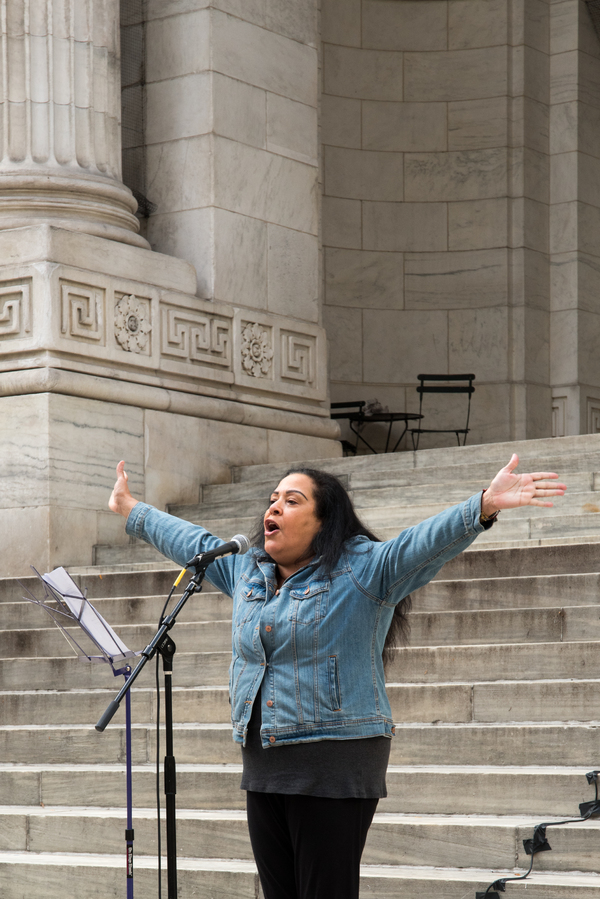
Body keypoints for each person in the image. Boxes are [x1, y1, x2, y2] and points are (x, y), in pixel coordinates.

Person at [109, 453, 566, 899]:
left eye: (292, 500)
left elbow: (420, 544)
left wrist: (482, 505)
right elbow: (193, 541)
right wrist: (131, 509)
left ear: (324, 521)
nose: (274, 507)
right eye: (273, 499)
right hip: (265, 762)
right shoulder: (247, 573)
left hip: (334, 760)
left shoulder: (363, 568)